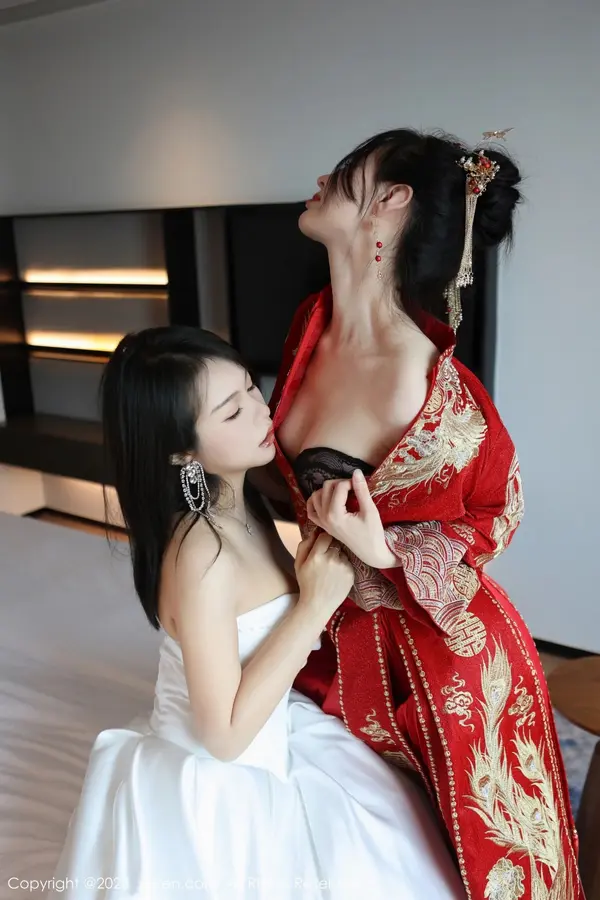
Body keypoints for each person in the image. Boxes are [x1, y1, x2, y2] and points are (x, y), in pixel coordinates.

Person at [265, 129, 583, 899]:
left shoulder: (428, 387)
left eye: (345, 173)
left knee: (489, 864)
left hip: (439, 659)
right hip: (332, 632)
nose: (321, 179)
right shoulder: (313, 322)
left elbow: (496, 511)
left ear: (392, 200)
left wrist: (385, 552)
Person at [48, 326, 466, 900]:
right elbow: (221, 737)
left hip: (277, 725)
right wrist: (313, 605)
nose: (259, 410)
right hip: (221, 768)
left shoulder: (242, 495)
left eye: (250, 387)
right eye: (231, 411)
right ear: (181, 452)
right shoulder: (200, 553)